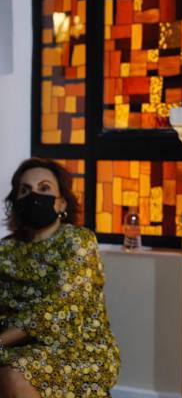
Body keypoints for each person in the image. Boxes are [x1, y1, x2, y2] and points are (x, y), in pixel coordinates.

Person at [0, 157, 120, 398]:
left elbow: (57, 307)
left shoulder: (78, 241)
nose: (34, 196)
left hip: (75, 349)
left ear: (61, 202)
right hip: (15, 345)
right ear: (16, 203)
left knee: (14, 372)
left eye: (44, 188)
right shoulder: (6, 249)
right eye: (25, 191)